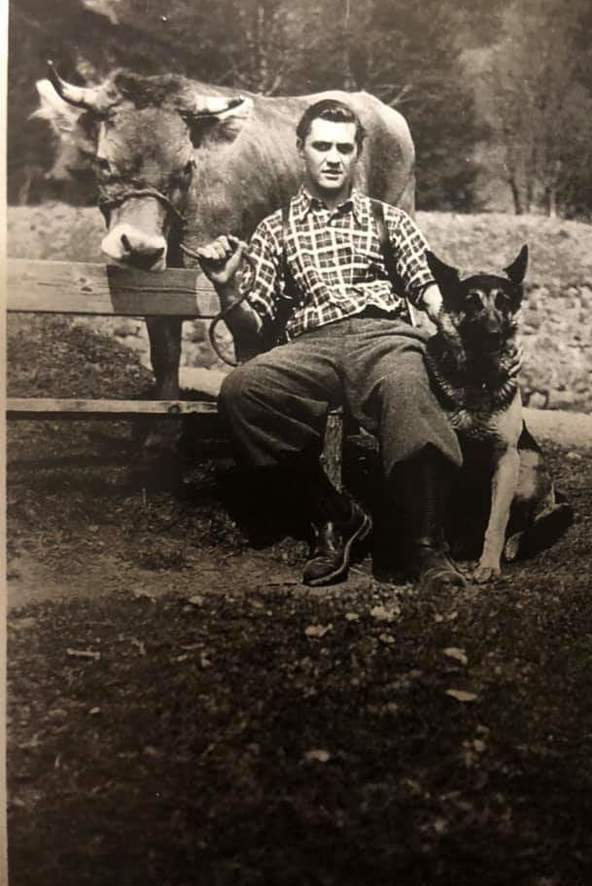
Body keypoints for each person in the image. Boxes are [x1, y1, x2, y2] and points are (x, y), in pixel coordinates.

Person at [196, 98, 467, 592]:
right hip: (310, 345)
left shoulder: (389, 220)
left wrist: (442, 315)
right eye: (321, 145)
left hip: (381, 337)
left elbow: (424, 285)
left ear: (357, 155)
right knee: (242, 390)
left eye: (344, 148)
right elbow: (251, 327)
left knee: (409, 389)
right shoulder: (275, 230)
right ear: (301, 150)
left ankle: (428, 547)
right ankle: (335, 516)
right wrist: (226, 286)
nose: (332, 157)